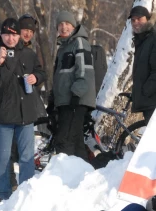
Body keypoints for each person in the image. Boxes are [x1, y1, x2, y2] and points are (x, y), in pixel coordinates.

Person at [0, 18, 46, 201]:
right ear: (1, 34)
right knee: (3, 158)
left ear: (19, 35)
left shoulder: (28, 53)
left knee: (26, 157)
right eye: (7, 34)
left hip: (26, 114)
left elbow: (42, 72)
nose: (10, 38)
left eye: (14, 34)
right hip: (4, 114)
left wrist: (36, 77)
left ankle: (25, 195)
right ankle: (3, 194)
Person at [50, 11, 96, 161]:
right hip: (65, 101)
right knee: (75, 142)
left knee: (64, 142)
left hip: (76, 100)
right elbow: (60, 77)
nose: (64, 27)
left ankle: (65, 176)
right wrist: (53, 98)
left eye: (67, 24)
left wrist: (77, 93)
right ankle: (83, 175)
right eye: (60, 25)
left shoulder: (79, 42)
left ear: (73, 26)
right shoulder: (63, 48)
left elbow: (84, 70)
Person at [129, 6, 156, 123]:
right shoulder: (143, 40)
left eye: (139, 19)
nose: (135, 22)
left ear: (148, 19)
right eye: (133, 20)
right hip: (149, 100)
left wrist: (145, 91)